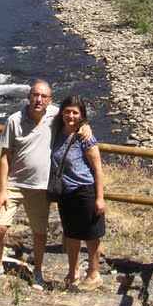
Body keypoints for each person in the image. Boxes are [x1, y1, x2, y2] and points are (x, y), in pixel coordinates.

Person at [0, 80, 91, 287]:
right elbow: (5, 156)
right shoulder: (14, 120)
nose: (39, 100)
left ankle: (38, 273)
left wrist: (85, 126)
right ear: (29, 96)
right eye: (36, 95)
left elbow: (74, 117)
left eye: (44, 96)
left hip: (41, 187)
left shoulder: (55, 116)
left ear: (50, 100)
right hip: (14, 184)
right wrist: (2, 189)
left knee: (40, 233)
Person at [51, 95, 105, 291]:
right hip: (65, 192)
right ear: (61, 112)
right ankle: (72, 272)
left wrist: (100, 198)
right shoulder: (56, 131)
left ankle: (94, 274)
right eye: (67, 111)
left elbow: (98, 169)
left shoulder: (85, 137)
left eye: (75, 112)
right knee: (72, 234)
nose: (70, 116)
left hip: (85, 191)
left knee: (92, 235)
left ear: (82, 115)